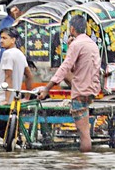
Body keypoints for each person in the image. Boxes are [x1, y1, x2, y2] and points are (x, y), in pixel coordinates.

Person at [37, 15, 100, 153]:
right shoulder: (91, 43)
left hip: (81, 91)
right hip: (92, 89)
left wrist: (47, 88)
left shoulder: (77, 44)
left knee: (84, 134)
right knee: (84, 132)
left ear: (72, 29)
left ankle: (83, 162)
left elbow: (65, 67)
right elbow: (73, 68)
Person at [0, 28, 33, 147]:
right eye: (1, 38)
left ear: (13, 40)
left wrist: (7, 100)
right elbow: (29, 76)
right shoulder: (20, 54)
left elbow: (8, 76)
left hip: (3, 101)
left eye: (4, 38)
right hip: (16, 102)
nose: (1, 40)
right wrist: (27, 97)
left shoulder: (7, 54)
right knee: (11, 133)